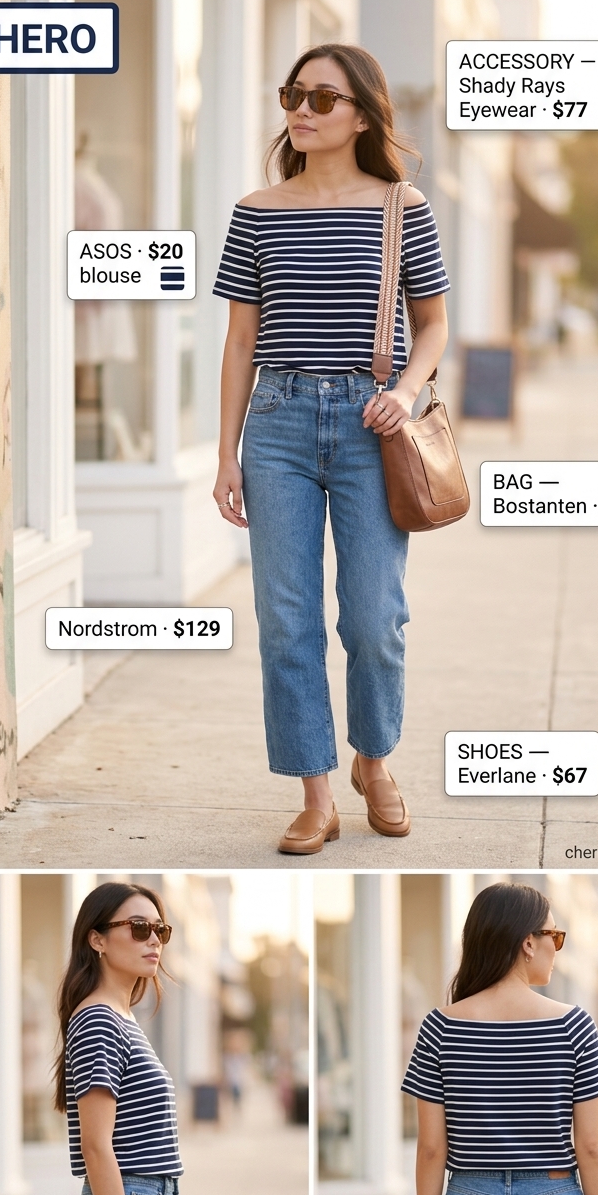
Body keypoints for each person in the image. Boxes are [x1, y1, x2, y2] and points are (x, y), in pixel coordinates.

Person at [212, 43, 450, 854]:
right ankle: (315, 793)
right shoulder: (256, 211)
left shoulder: (401, 207)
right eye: (294, 95)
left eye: (322, 99)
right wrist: (225, 455)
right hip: (276, 423)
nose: (302, 112)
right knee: (286, 622)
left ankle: (372, 762)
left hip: (370, 424)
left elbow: (434, 324)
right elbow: (240, 342)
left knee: (376, 618)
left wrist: (405, 392)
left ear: (362, 116)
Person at [402, 882, 598, 1195]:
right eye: (554, 936)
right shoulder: (575, 1027)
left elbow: (431, 1149)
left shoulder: (439, 1028)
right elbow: (592, 1147)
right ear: (527, 942)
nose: (557, 948)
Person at [54, 883, 195, 1195]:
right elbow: (96, 1146)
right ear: (97, 939)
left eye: (160, 930)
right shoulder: (98, 1019)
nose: (153, 939)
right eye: (138, 928)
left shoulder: (121, 1017)